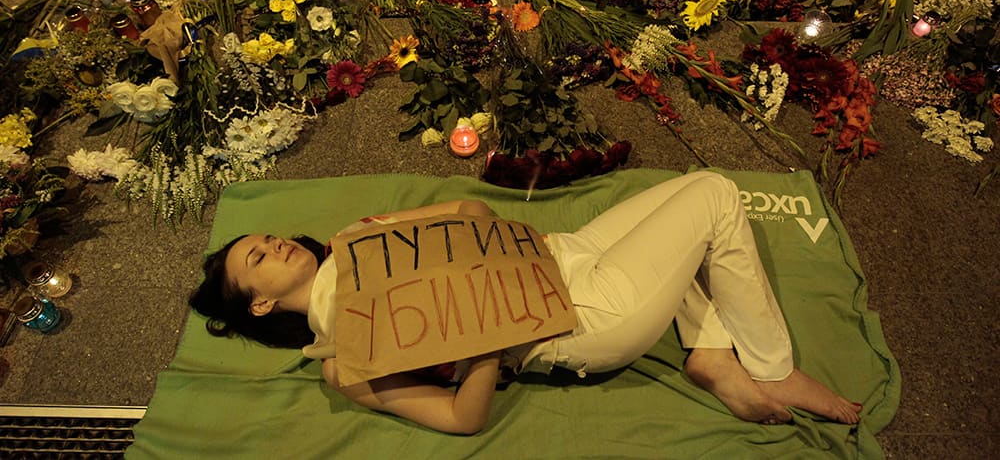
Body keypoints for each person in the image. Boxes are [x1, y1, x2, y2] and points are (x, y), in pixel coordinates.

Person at [190, 171, 862, 434]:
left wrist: (425, 233)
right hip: (577, 320)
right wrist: (485, 342)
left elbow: (471, 208)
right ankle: (772, 367)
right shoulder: (345, 363)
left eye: (268, 238)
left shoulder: (356, 243)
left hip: (560, 252)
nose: (275, 243)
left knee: (689, 207)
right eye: (258, 257)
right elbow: (461, 419)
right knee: (715, 197)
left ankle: (713, 358)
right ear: (257, 306)